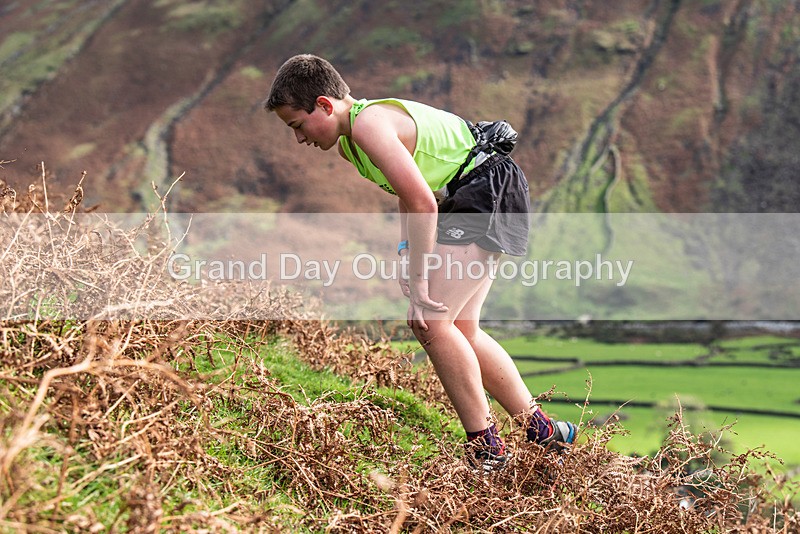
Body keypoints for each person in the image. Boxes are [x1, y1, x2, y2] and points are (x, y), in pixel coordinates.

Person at [264, 54, 576, 472]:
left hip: (485, 191)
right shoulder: (351, 144)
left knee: (429, 321)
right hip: (467, 196)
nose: (298, 139)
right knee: (462, 328)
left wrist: (419, 282)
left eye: (297, 126)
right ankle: (542, 430)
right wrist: (407, 253)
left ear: (323, 104)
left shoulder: (369, 124)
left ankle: (487, 450)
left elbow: (422, 202)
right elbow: (408, 192)